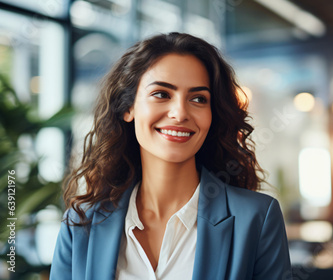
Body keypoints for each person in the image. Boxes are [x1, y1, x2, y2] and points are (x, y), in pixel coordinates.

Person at [50, 33, 292, 280]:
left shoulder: (257, 219)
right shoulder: (81, 223)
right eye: (162, 94)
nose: (180, 113)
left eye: (198, 99)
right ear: (128, 107)